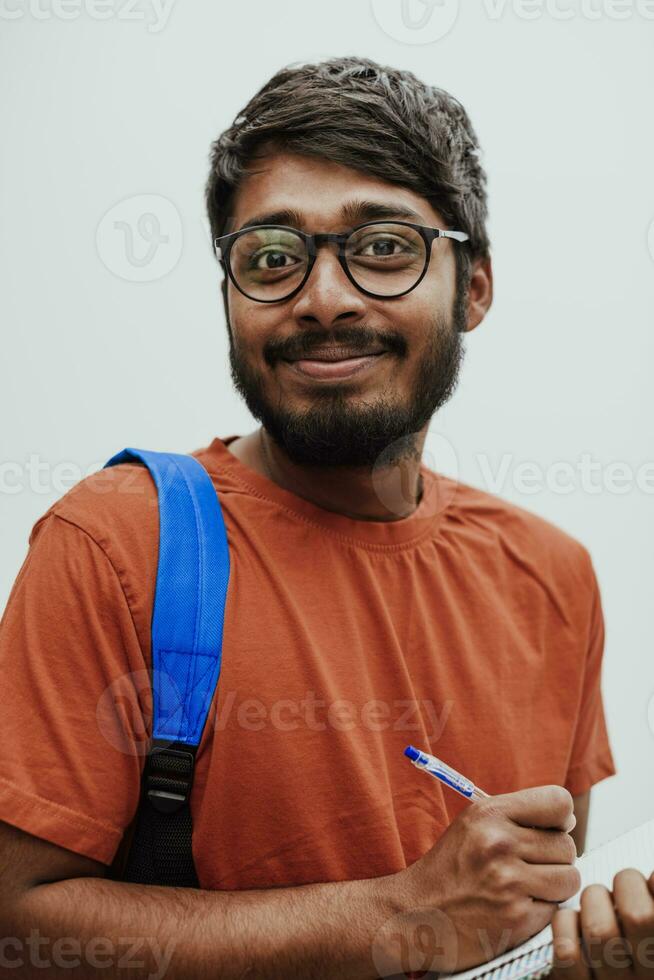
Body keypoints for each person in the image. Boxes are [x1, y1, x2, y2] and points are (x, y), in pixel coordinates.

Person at [0, 55, 645, 979]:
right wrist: (395, 916)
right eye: (271, 256)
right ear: (228, 295)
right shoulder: (113, 545)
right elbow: (17, 926)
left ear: (474, 288)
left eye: (384, 246)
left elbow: (521, 918)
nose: (325, 297)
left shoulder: (553, 573)